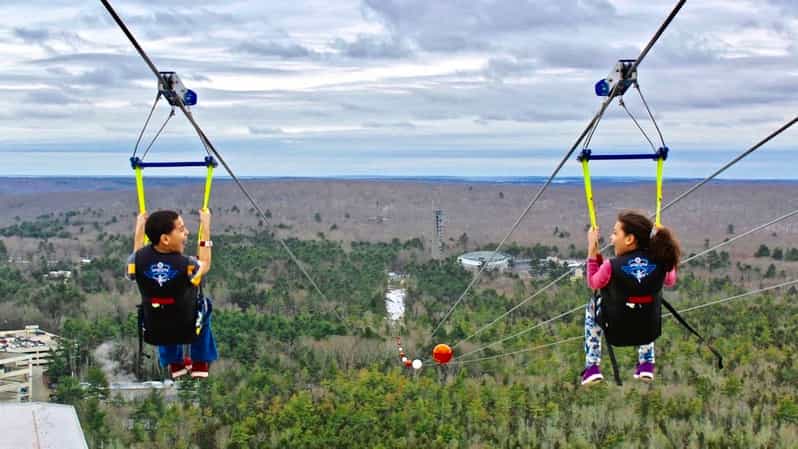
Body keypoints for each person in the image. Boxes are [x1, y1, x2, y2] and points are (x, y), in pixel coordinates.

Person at [582, 210, 680, 385]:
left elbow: (593, 283)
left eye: (615, 233)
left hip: (617, 329)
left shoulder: (611, 266)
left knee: (592, 307)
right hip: (646, 330)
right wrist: (664, 251)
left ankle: (592, 366)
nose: (611, 239)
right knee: (648, 301)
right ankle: (646, 362)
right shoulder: (660, 264)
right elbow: (670, 280)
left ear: (629, 239)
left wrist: (592, 251)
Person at [127, 209, 218, 379]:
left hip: (155, 330)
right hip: (186, 328)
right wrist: (205, 228)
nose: (187, 232)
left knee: (161, 310)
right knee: (205, 306)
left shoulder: (136, 262)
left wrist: (139, 229)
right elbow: (205, 263)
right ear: (165, 239)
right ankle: (200, 360)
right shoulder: (187, 265)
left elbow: (136, 255)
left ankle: (174, 362)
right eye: (182, 229)